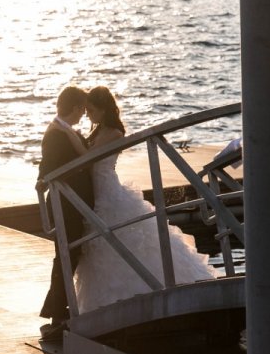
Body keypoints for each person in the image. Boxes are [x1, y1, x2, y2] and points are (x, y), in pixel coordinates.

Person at [59, 86, 217, 313]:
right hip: (97, 193)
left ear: (104, 109)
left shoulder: (114, 132)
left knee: (129, 241)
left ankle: (152, 290)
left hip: (108, 191)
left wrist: (66, 132)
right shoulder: (98, 129)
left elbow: (88, 158)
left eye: (92, 110)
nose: (88, 115)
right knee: (102, 247)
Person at [35, 86, 94, 338]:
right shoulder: (56, 134)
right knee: (66, 255)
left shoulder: (63, 130)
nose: (84, 113)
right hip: (65, 203)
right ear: (75, 108)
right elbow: (49, 167)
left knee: (70, 253)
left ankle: (60, 309)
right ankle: (56, 312)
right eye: (82, 108)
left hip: (71, 203)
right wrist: (44, 180)